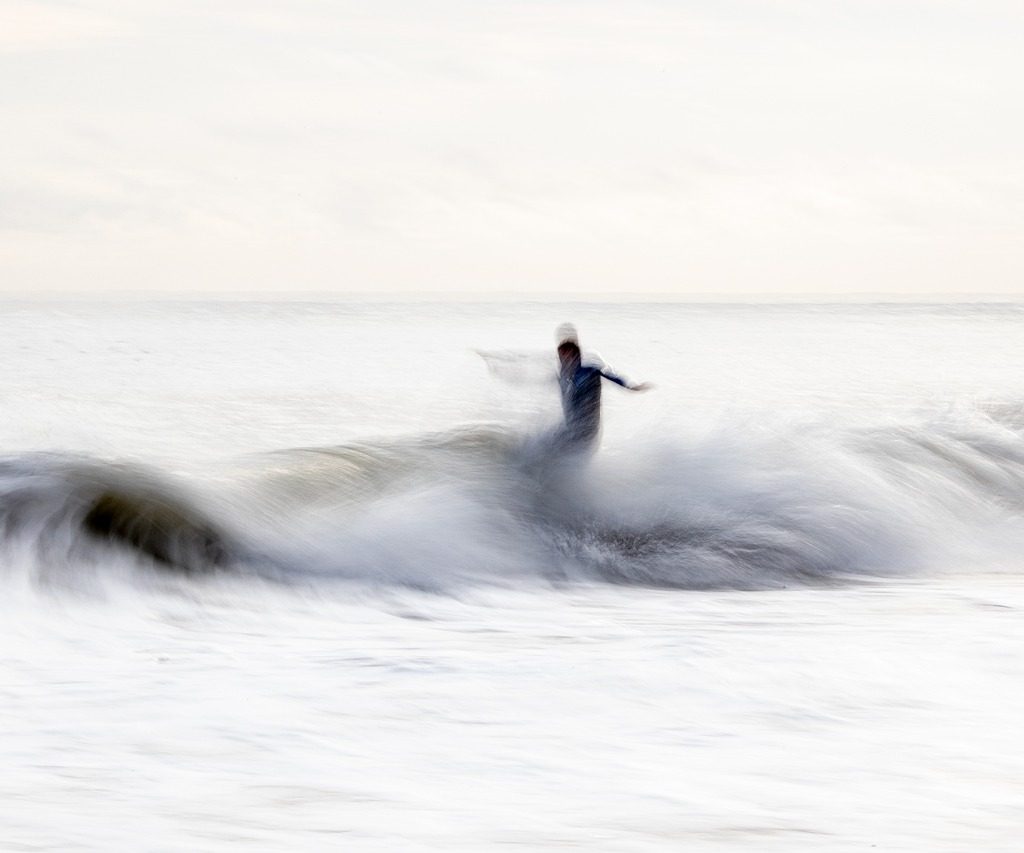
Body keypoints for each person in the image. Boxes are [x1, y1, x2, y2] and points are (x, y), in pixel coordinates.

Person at [555, 323, 650, 451]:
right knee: (546, 443)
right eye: (561, 357)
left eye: (567, 356)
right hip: (572, 426)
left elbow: (610, 374)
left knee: (559, 448)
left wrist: (631, 386)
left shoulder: (589, 371)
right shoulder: (564, 377)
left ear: (575, 356)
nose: (564, 360)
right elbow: (567, 403)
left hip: (588, 429)